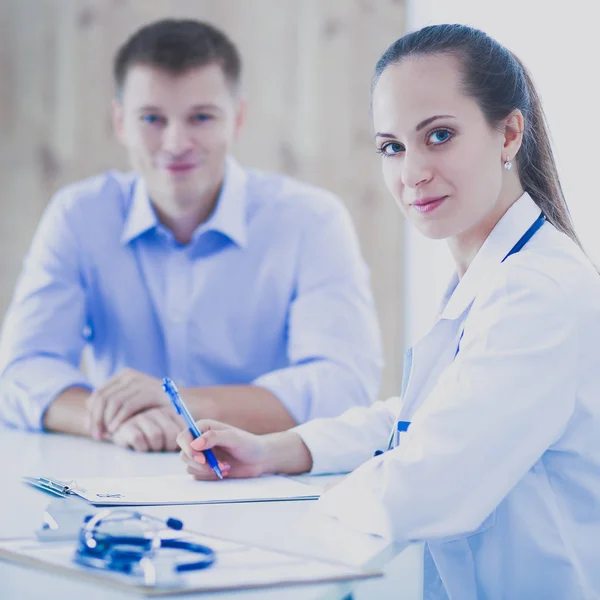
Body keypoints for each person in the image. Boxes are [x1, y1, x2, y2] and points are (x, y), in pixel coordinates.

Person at [177, 24, 600, 599]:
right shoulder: (492, 275)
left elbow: (431, 485)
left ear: (509, 135)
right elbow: (424, 417)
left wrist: (271, 517)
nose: (412, 172)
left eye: (440, 135)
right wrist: (278, 450)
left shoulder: (537, 292)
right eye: (392, 147)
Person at [0, 19, 383, 452]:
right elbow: (21, 372)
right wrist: (115, 420)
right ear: (120, 122)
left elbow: (344, 384)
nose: (176, 142)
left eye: (201, 117)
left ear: (237, 119)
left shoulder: (311, 220)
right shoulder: (79, 216)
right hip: (119, 474)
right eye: (152, 118)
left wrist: (183, 405)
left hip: (263, 480)